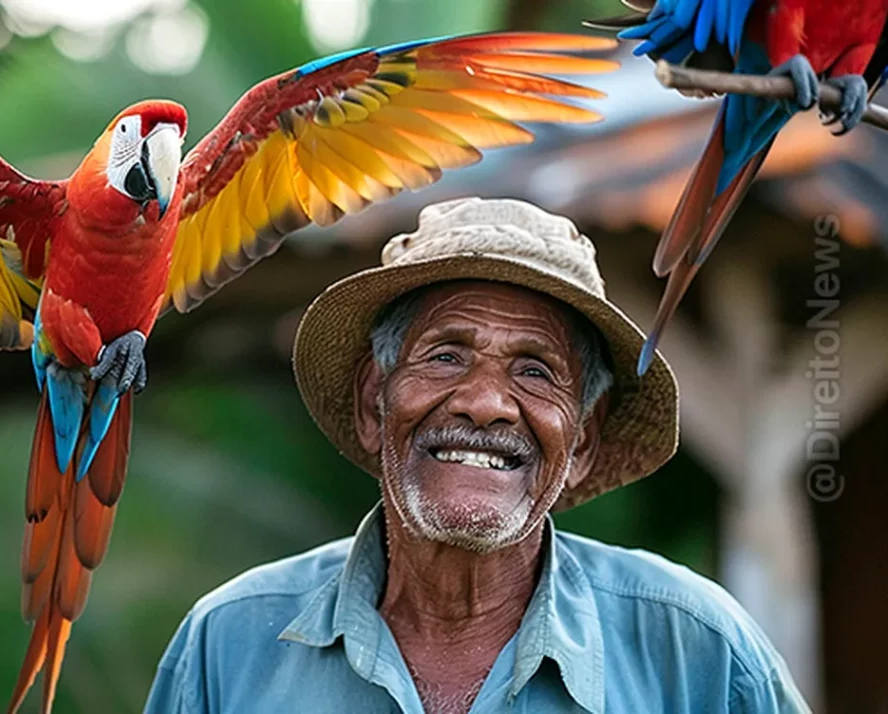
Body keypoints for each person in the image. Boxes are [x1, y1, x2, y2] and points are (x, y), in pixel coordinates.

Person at [142, 197, 810, 714]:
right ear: (376, 399)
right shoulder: (228, 644)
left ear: (580, 438)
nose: (485, 402)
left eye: (536, 370)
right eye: (445, 355)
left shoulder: (694, 650)